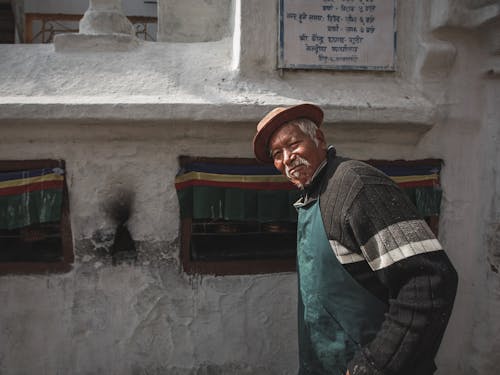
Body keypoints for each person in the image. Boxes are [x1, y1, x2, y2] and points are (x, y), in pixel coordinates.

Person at [252, 103, 458, 375]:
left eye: (293, 144)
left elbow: (429, 280)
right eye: (277, 154)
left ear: (319, 139)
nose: (287, 158)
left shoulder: (357, 187)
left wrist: (376, 363)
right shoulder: (313, 197)